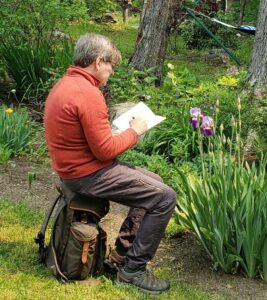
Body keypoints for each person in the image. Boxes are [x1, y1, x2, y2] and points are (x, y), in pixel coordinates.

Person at [44, 33, 176, 294]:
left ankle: (123, 255)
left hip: (75, 168)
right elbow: (105, 151)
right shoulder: (88, 93)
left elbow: (91, 140)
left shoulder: (65, 84)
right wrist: (135, 131)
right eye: (111, 66)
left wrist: (114, 132)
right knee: (165, 198)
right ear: (97, 61)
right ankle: (133, 271)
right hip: (88, 174)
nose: (111, 72)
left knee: (156, 184)